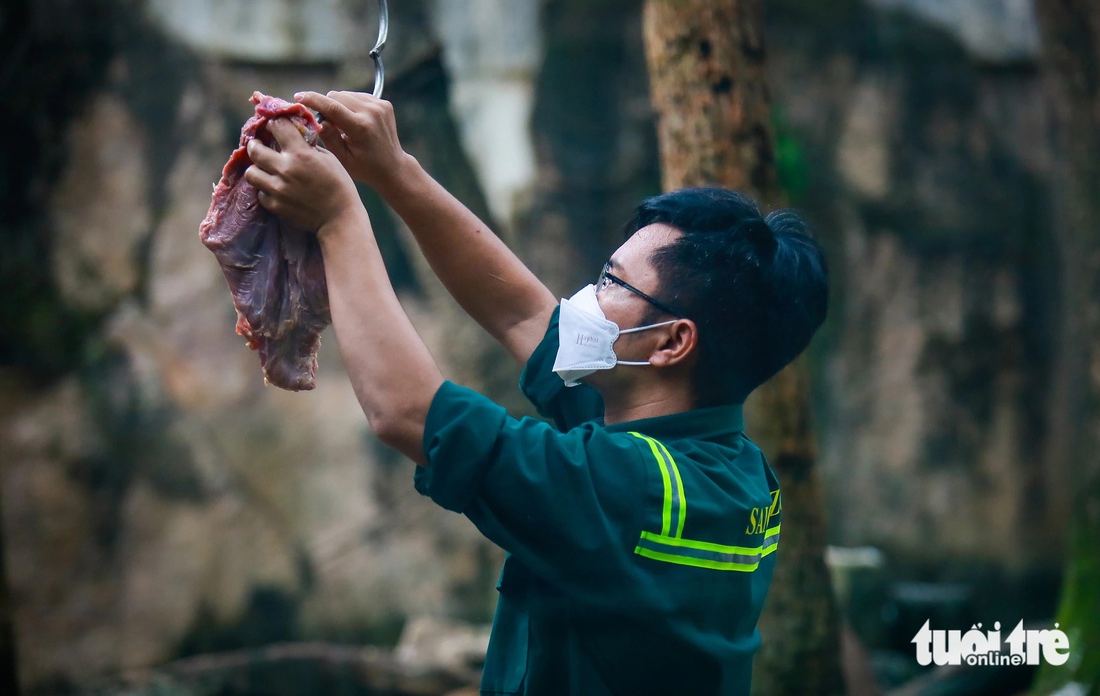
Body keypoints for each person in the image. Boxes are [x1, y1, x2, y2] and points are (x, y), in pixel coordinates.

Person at [244, 89, 828, 696]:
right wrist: (394, 173)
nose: (584, 298)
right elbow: (521, 314)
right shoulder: (727, 467)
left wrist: (339, 219)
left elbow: (408, 412)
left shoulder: (634, 493)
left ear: (671, 344)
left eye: (611, 283)